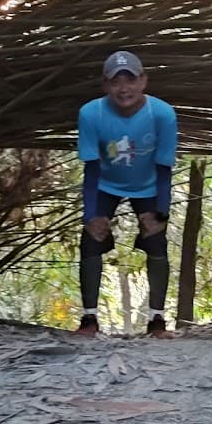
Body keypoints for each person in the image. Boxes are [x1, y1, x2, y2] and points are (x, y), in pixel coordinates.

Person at [74, 50, 178, 339]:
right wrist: (90, 215)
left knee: (156, 241)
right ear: (105, 85)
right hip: (106, 183)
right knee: (90, 240)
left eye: (130, 80)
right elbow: (92, 168)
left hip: (148, 184)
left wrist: (161, 213)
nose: (124, 88)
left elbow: (165, 167)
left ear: (143, 81)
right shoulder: (91, 113)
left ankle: (157, 320)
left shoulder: (162, 114)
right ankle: (89, 319)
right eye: (115, 81)